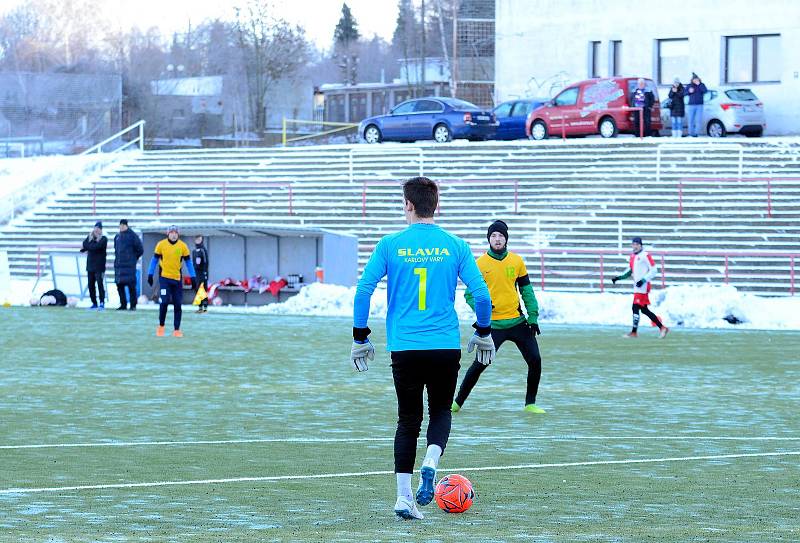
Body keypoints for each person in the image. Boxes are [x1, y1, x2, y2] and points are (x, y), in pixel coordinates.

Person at [351, 176, 493, 521]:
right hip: (444, 346)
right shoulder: (456, 245)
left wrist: (360, 337)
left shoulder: (390, 244)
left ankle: (403, 498)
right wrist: (483, 331)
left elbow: (363, 291)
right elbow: (483, 295)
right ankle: (431, 462)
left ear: (408, 205)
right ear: (437, 206)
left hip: (405, 348)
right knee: (441, 411)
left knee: (408, 420)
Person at [452, 220, 544, 414]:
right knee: (480, 364)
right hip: (493, 325)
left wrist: (533, 317)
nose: (497, 239)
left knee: (535, 360)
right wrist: (482, 309)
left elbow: (527, 291)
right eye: (493, 235)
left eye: (501, 235)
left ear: (506, 239)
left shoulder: (517, 261)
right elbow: (469, 294)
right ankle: (457, 402)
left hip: (518, 322)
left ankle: (530, 403)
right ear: (489, 239)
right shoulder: (479, 263)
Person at [612, 237, 669, 339]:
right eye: (633, 244)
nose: (634, 246)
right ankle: (662, 328)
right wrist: (618, 278)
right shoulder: (633, 256)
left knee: (635, 307)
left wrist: (643, 280)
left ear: (640, 245)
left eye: (636, 244)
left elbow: (654, 270)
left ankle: (634, 332)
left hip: (643, 287)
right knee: (644, 310)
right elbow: (630, 271)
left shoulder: (645, 255)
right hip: (637, 288)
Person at [147, 225, 196, 337]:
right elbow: (154, 260)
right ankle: (161, 326)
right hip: (164, 278)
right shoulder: (161, 245)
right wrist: (150, 274)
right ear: (168, 234)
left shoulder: (183, 246)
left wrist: (193, 277)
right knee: (164, 302)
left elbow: (188, 263)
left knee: (178, 304)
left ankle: (177, 330)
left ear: (178, 234)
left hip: (177, 280)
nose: (173, 234)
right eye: (171, 232)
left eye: (175, 233)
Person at [113, 219, 143, 311]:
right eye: (120, 225)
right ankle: (123, 304)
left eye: (123, 225)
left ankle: (133, 305)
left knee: (131, 286)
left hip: (129, 266)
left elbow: (140, 249)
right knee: (119, 286)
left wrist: (133, 259)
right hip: (119, 267)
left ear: (126, 225)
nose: (121, 227)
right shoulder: (117, 236)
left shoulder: (133, 236)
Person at [80, 221, 107, 310]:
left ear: (101, 230)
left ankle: (102, 303)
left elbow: (95, 247)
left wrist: (88, 246)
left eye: (98, 228)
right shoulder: (90, 238)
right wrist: (89, 244)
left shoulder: (104, 239)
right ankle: (94, 303)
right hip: (90, 266)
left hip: (99, 267)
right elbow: (84, 244)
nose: (96, 230)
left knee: (100, 285)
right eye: (95, 228)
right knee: (91, 285)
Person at [686, 72, 707, 137]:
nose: (695, 80)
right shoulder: (689, 85)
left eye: (696, 79)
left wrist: (699, 84)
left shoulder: (702, 84)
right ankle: (690, 133)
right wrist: (689, 91)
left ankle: (696, 133)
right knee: (690, 120)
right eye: (694, 79)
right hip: (691, 105)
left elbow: (705, 91)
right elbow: (684, 93)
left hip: (699, 105)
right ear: (692, 80)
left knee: (698, 120)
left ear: (698, 79)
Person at [192, 235, 209, 313]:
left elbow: (206, 262)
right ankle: (200, 307)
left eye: (199, 239)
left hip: (202, 273)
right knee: (198, 289)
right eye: (196, 239)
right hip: (197, 274)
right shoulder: (194, 251)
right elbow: (193, 263)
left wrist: (205, 272)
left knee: (203, 289)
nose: (198, 240)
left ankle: (205, 307)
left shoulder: (203, 250)